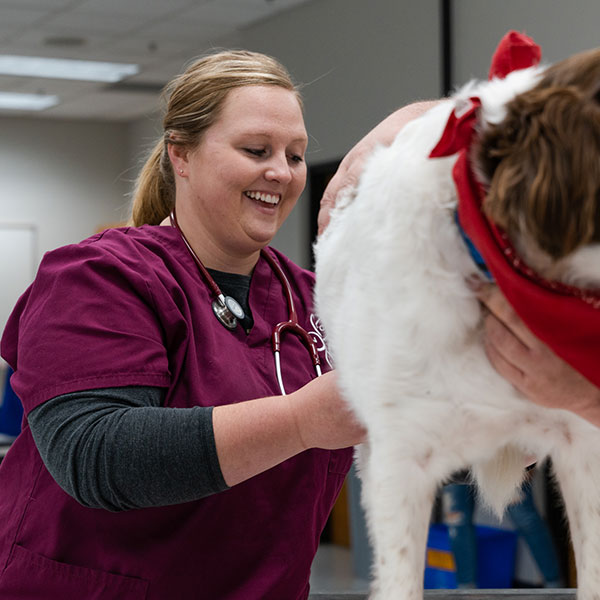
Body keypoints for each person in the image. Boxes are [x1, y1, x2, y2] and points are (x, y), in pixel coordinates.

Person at [0, 50, 367, 599]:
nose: (281, 172)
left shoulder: (320, 302)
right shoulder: (98, 278)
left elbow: (409, 429)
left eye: (295, 155)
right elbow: (96, 454)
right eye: (255, 150)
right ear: (182, 155)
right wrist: (302, 420)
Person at [442, 472, 562, 589]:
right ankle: (465, 592)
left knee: (525, 518)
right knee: (457, 521)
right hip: (455, 456)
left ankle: (556, 588)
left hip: (500, 456)